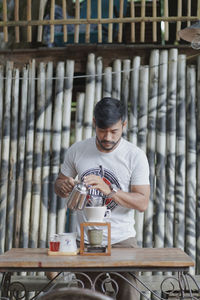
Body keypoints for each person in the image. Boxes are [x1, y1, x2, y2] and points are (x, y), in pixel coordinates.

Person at [54, 97, 150, 300]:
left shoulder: (135, 155)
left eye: (114, 131)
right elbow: (59, 183)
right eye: (102, 130)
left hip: (122, 240)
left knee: (129, 297)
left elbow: (142, 202)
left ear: (124, 125)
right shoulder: (77, 150)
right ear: (94, 123)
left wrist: (110, 191)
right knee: (87, 297)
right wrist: (62, 186)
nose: (107, 137)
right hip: (85, 242)